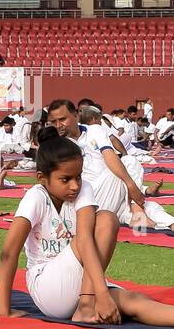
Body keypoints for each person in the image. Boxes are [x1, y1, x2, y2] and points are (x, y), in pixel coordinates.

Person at [0, 129, 174, 329]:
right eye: (65, 179)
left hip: (80, 282)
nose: (74, 186)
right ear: (42, 178)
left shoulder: (84, 189)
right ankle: (87, 305)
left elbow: (86, 239)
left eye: (78, 177)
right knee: (107, 219)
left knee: (134, 300)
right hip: (48, 287)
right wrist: (5, 310)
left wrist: (102, 293)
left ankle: (87, 302)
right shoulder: (36, 197)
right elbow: (8, 253)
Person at [44, 98, 145, 268]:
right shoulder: (57, 144)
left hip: (107, 190)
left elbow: (109, 155)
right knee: (119, 176)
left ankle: (136, 209)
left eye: (62, 119)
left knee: (128, 163)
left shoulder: (95, 130)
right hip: (82, 197)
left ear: (76, 115)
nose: (58, 125)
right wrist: (130, 185)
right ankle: (134, 210)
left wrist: (131, 185)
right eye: (53, 122)